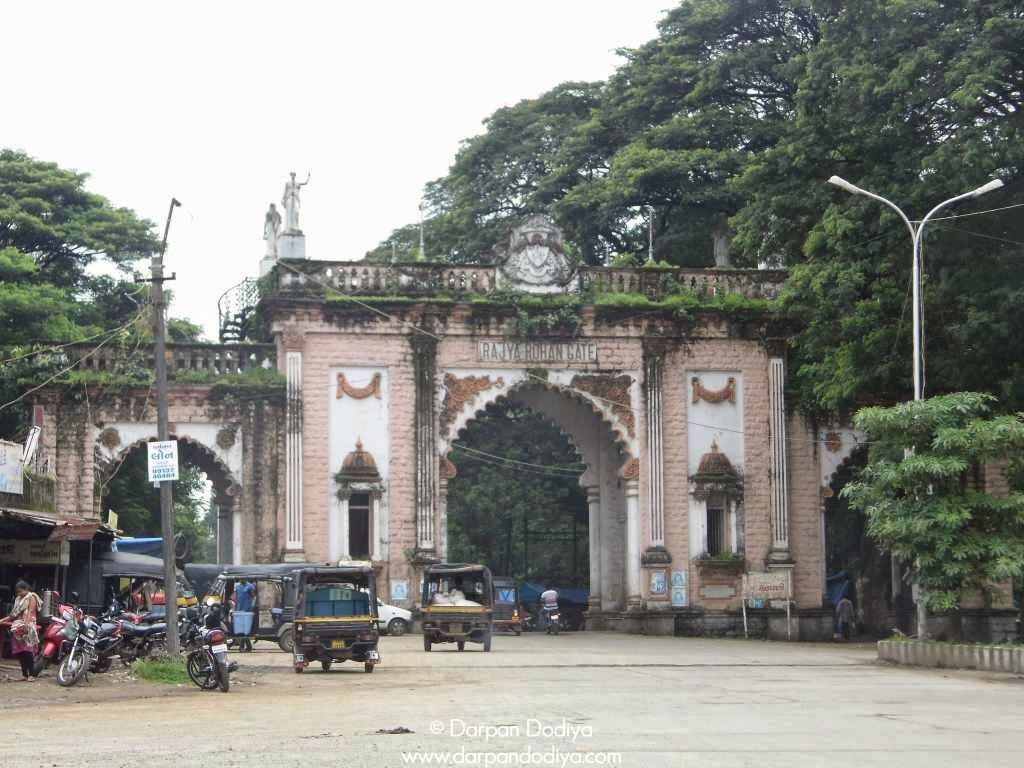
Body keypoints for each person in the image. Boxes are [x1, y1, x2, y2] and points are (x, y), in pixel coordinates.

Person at [1, 581, 42, 681]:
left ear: (26, 589)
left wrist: (26, 625)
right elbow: (13, 614)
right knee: (20, 652)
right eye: (17, 592)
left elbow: (31, 611)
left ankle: (31, 674)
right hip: (18, 626)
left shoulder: (31, 597)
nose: (19, 594)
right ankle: (24, 674)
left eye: (20, 591)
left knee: (28, 651)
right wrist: (2, 620)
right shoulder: (18, 599)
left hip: (28, 625)